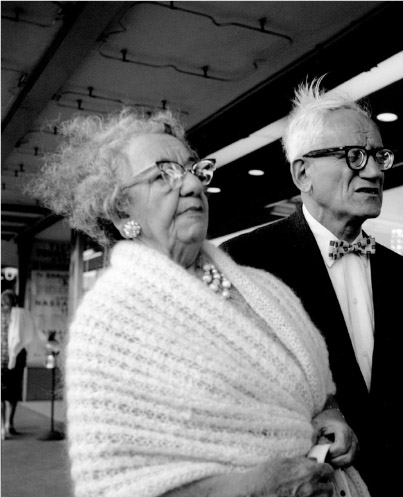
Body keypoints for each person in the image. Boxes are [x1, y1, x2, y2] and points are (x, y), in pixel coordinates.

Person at [28, 107, 371, 497]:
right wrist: (255, 488)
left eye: (195, 170)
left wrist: (330, 414)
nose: (191, 185)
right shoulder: (109, 321)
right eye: (164, 175)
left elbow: (316, 388)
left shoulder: (265, 288)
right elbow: (115, 486)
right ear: (121, 207)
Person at [221, 77, 403, 497]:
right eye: (354, 156)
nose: (373, 171)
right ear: (303, 172)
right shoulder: (247, 260)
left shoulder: (395, 270)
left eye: (378, 155)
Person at [1, 289, 35, 439]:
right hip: (14, 360)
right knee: (12, 393)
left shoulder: (10, 315)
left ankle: (4, 425)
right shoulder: (22, 315)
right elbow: (29, 335)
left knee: (4, 395)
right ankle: (8, 424)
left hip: (6, 360)